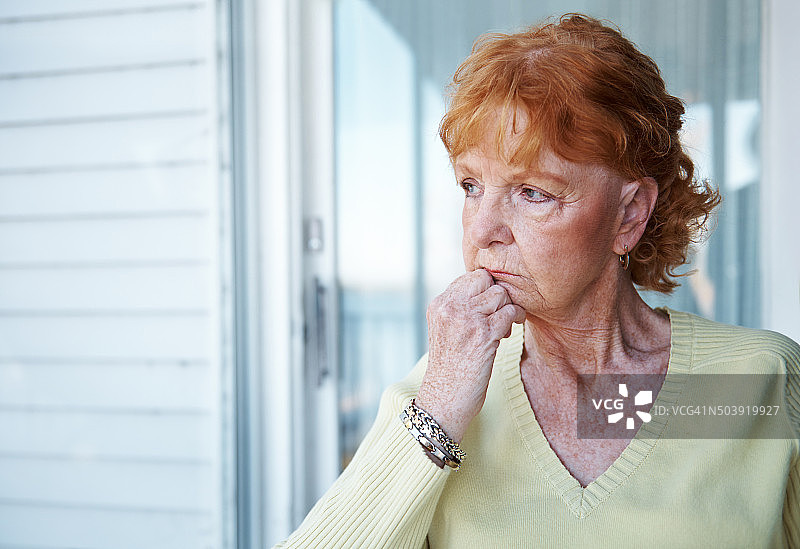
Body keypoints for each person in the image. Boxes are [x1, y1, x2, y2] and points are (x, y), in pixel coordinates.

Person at [275, 13, 800, 548]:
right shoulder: (436, 394)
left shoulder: (756, 384)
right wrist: (438, 412)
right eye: (471, 185)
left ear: (629, 215)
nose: (482, 231)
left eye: (532, 193)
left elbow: (619, 437)